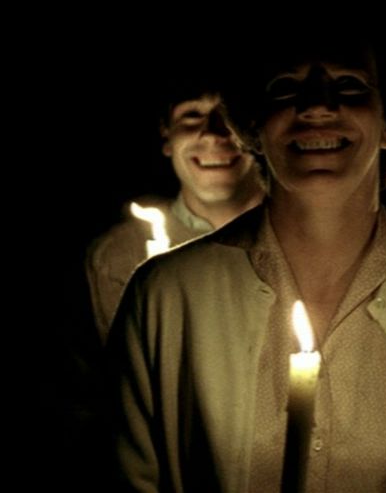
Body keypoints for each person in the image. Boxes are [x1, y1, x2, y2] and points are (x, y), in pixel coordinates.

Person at [108, 39, 386, 491]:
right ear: (253, 126)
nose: (317, 106)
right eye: (286, 88)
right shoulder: (168, 295)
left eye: (349, 86)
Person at [85, 81, 264, 345]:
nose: (214, 133)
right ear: (166, 134)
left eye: (229, 115)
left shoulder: (303, 238)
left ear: (256, 134)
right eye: (192, 115)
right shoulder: (121, 254)